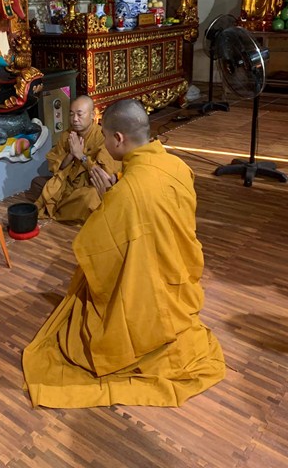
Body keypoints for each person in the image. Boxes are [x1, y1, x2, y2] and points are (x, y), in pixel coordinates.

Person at [23, 98, 226, 408]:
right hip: (176, 275)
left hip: (146, 289)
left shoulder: (127, 193)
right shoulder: (177, 167)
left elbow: (96, 246)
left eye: (106, 136)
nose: (104, 141)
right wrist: (115, 192)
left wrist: (110, 200)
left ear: (118, 138)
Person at [35, 95, 118, 224]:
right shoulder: (68, 135)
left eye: (79, 114)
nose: (74, 119)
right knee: (37, 183)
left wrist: (80, 155)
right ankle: (65, 208)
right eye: (71, 114)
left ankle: (62, 209)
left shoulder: (102, 137)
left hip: (89, 187)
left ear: (92, 115)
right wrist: (71, 154)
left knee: (90, 198)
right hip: (67, 184)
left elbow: (104, 176)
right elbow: (57, 166)